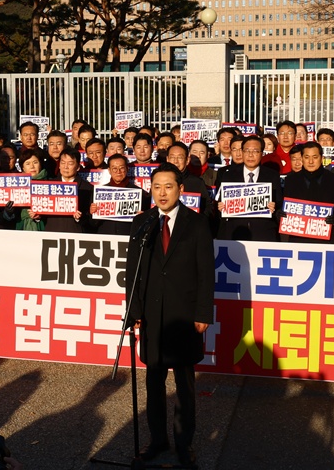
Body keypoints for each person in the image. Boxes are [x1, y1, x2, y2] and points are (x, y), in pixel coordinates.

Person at [125, 162, 214, 467]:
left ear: (181, 189)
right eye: (156, 187)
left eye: (168, 186)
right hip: (152, 315)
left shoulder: (197, 223)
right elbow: (133, 271)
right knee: (154, 384)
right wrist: (135, 310)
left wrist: (203, 312)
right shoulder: (143, 223)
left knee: (184, 386)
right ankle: (157, 440)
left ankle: (183, 444)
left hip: (185, 315)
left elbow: (206, 273)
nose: (162, 193)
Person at [217, 135, 282, 242]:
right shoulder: (229, 175)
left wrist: (274, 208)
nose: (250, 155)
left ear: (262, 153)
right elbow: (220, 204)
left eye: (255, 151)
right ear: (242, 152)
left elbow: (279, 204)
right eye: (247, 151)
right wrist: (221, 207)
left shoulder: (272, 175)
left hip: (263, 233)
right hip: (235, 233)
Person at [281, 142, 334, 243]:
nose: (311, 161)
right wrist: (280, 214)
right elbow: (284, 206)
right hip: (298, 239)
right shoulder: (291, 180)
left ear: (322, 158)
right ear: (302, 159)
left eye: (315, 157)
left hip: (326, 239)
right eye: (307, 157)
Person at [89, 154, 150, 236]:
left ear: (127, 169)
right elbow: (91, 224)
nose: (118, 171)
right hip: (105, 238)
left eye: (121, 168)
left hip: (128, 238)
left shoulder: (140, 193)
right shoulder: (99, 192)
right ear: (109, 170)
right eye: (114, 168)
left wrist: (142, 217)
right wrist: (92, 213)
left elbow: (146, 225)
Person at [44, 147, 93, 233]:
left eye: (70, 163)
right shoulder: (49, 186)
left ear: (78, 167)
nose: (65, 167)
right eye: (63, 163)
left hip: (75, 233)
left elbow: (91, 220)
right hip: (52, 233)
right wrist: (37, 216)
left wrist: (79, 218)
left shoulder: (87, 188)